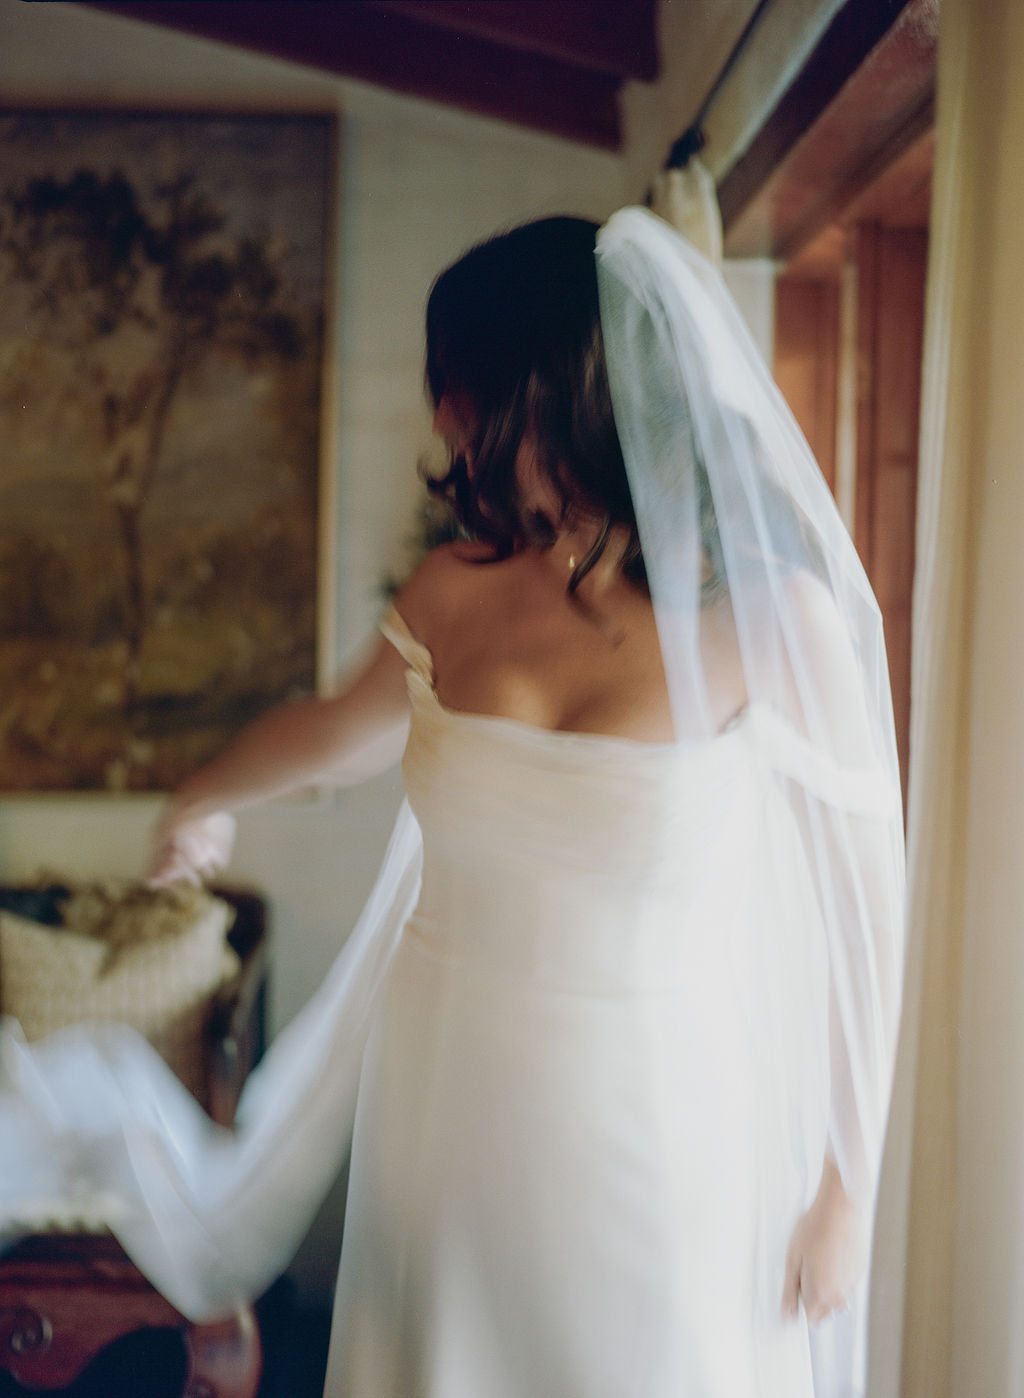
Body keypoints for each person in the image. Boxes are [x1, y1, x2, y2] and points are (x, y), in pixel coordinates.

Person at [1, 209, 904, 1397]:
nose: (441, 418)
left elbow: (865, 912)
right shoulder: (454, 587)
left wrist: (846, 1190)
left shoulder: (772, 618)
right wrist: (201, 794)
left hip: (657, 1109)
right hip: (444, 1089)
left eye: (456, 384)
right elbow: (333, 732)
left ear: (540, 385)